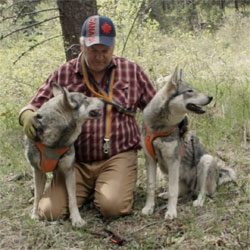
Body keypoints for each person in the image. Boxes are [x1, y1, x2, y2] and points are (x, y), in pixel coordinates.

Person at [19, 15, 156, 220]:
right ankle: (88, 189)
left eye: (105, 50)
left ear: (113, 47)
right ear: (82, 46)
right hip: (75, 160)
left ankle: (106, 186)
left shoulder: (131, 70)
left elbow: (155, 108)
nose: (99, 56)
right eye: (93, 50)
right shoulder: (65, 73)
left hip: (118, 156)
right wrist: (26, 115)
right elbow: (34, 105)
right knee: (49, 212)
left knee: (112, 206)